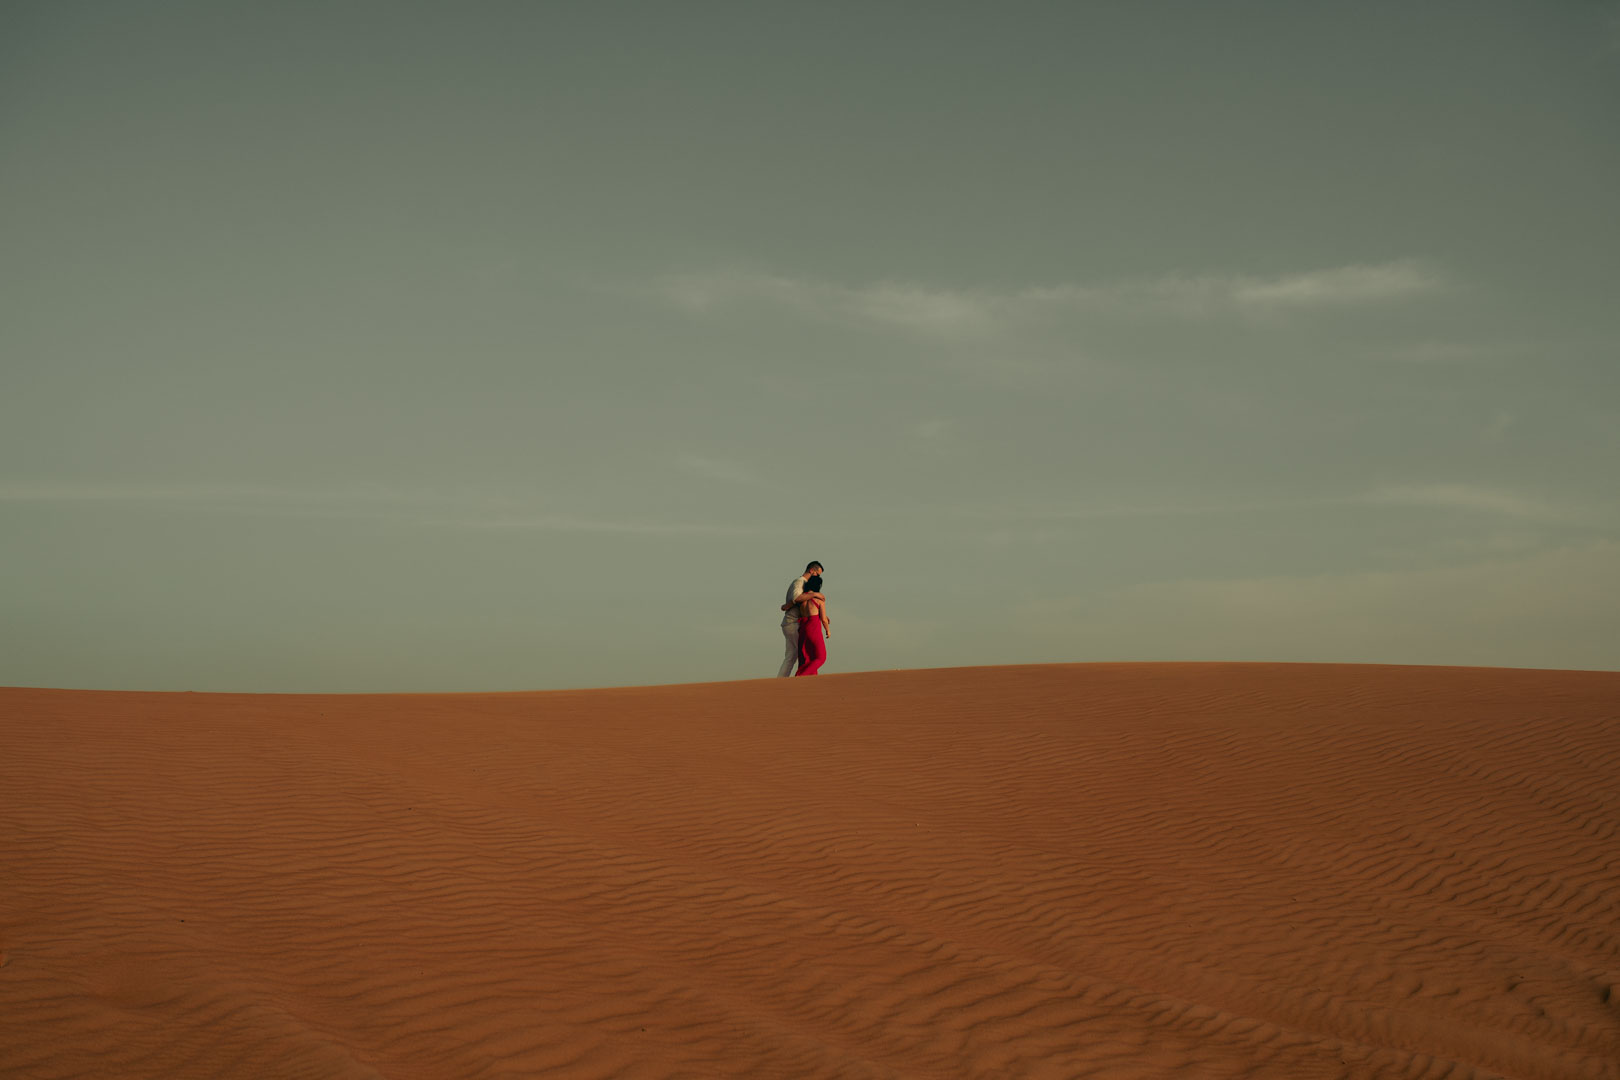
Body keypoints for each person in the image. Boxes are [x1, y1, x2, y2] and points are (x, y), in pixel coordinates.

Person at [775, 561, 825, 677]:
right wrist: (815, 595)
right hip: (793, 623)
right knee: (801, 654)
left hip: (791, 623)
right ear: (811, 570)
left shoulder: (804, 584)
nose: (818, 577)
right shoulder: (799, 582)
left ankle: (782, 681)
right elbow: (797, 598)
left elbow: (799, 603)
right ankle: (798, 679)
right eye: (817, 574)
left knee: (793, 655)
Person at [794, 574, 830, 676]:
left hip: (803, 629)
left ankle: (810, 682)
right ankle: (800, 677)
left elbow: (793, 602)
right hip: (813, 628)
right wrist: (828, 630)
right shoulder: (819, 599)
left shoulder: (801, 599)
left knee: (807, 657)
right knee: (821, 657)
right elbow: (823, 619)